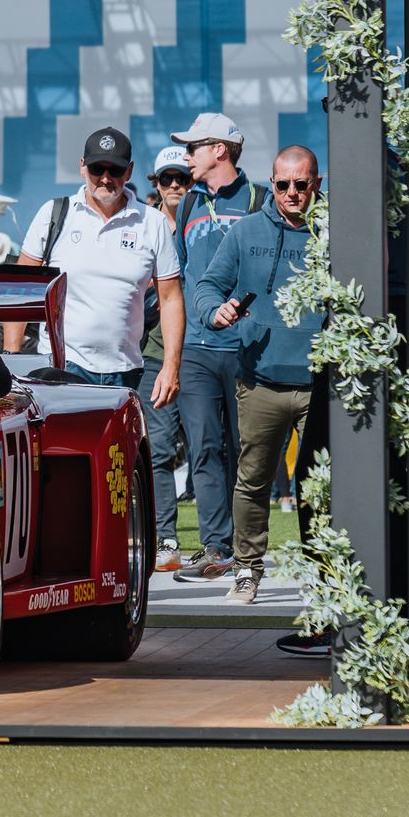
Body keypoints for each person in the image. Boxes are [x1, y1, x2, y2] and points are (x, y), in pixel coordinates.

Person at [197, 144, 328, 607]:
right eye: (282, 184)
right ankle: (248, 571)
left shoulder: (335, 234)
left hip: (321, 384)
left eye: (301, 184)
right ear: (270, 183)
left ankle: (324, 576)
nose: (291, 193)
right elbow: (208, 286)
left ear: (317, 183)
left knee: (323, 487)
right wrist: (216, 312)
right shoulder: (246, 231)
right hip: (259, 379)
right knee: (251, 481)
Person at [16, 125, 183, 407]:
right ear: (82, 167)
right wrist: (13, 354)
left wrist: (171, 368)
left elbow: (171, 300)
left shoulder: (152, 222)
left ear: (129, 172)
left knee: (121, 453)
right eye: (97, 169)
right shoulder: (54, 213)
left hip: (125, 372)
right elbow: (21, 290)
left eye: (115, 170)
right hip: (61, 367)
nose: (105, 178)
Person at [167, 111, 266, 581]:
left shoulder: (260, 200)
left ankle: (248, 551)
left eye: (194, 147)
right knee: (204, 449)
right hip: (197, 351)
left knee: (248, 453)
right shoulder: (186, 206)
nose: (187, 156)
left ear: (219, 150)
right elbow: (177, 281)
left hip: (248, 349)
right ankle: (216, 548)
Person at [136, 146, 195, 567]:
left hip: (208, 352)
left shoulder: (206, 221)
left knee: (215, 451)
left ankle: (221, 545)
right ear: (155, 185)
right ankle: (167, 538)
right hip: (156, 353)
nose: (175, 186)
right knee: (158, 449)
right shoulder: (145, 225)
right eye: (166, 179)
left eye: (183, 179)